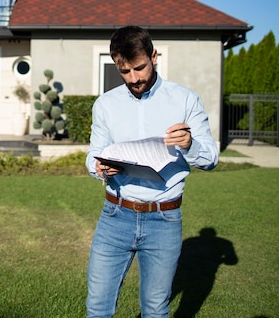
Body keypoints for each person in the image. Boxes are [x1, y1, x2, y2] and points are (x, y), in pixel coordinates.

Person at [84, 25, 219, 318]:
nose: (134, 78)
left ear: (154, 56)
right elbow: (94, 152)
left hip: (164, 219)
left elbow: (210, 158)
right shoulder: (106, 104)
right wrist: (98, 166)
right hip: (114, 217)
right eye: (125, 71)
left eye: (139, 68)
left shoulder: (185, 100)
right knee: (97, 308)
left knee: (156, 310)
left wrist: (190, 143)